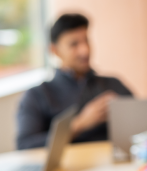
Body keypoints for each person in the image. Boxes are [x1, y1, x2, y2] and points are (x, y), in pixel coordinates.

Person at [16, 13, 133, 150]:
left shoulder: (113, 85)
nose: (85, 50)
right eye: (74, 44)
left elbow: (144, 127)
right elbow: (25, 146)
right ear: (55, 50)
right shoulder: (38, 95)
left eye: (86, 41)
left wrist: (124, 113)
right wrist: (79, 124)